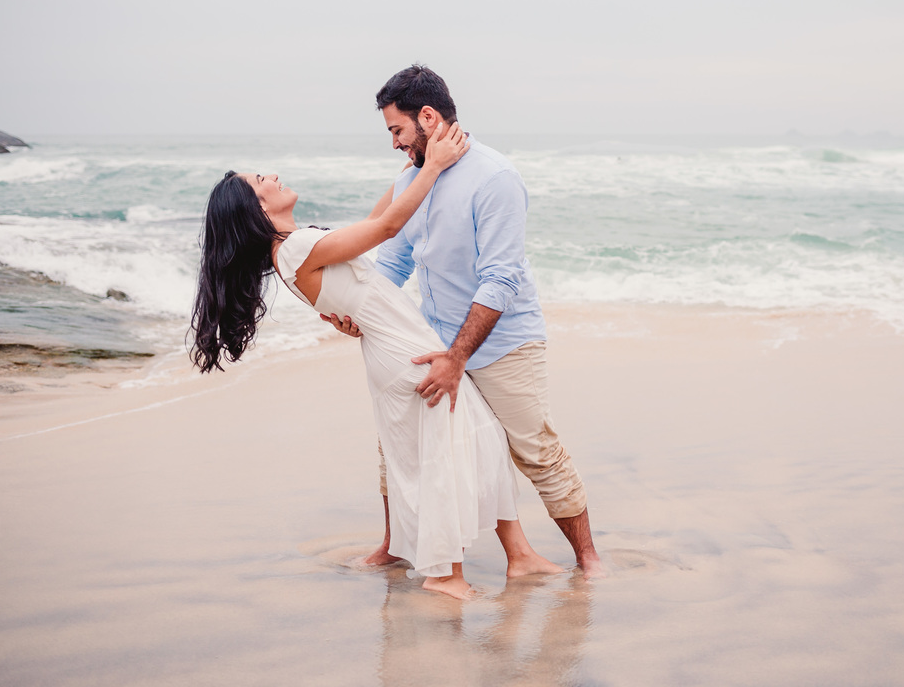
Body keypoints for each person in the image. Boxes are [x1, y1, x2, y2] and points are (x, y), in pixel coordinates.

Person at [189, 121, 563, 600]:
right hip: (405, 356)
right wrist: (435, 168)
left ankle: (521, 555)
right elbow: (386, 229)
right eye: (263, 180)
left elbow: (369, 227)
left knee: (479, 441)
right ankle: (444, 573)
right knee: (443, 456)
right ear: (257, 207)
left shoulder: (292, 245)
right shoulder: (295, 248)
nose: (274, 177)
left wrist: (410, 170)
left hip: (400, 348)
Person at [323, 65, 604, 578]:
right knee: (400, 439)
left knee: (535, 450)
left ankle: (589, 561)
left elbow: (501, 280)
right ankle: (395, 546)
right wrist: (361, 315)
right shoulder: (413, 177)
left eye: (397, 130)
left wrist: (459, 357)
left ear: (427, 117)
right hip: (431, 337)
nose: (393, 143)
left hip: (502, 344)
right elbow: (395, 260)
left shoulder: (495, 178)